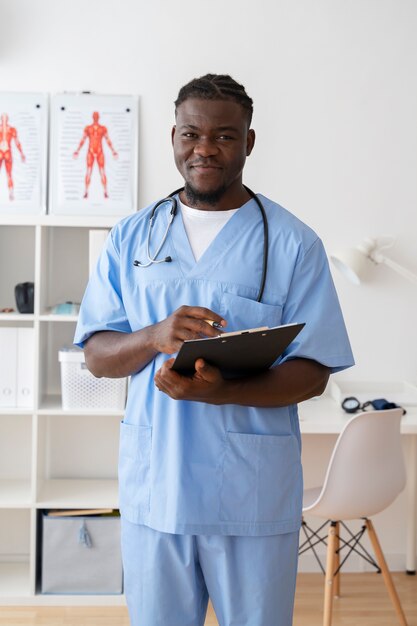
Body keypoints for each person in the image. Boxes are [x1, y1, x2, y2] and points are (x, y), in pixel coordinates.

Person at [74, 74, 354, 626]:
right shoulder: (133, 237)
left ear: (249, 142)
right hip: (157, 489)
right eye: (190, 134)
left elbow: (314, 370)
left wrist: (226, 392)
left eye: (224, 136)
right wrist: (154, 336)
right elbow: (97, 356)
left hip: (248, 493)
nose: (205, 148)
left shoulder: (294, 243)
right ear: (173, 138)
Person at [73, 111, 118, 199]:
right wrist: (77, 150)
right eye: (94, 116)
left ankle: (105, 191)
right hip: (90, 151)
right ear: (93, 117)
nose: (95, 117)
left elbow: (107, 139)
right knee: (89, 171)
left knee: (102, 171)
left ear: (98, 117)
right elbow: (83, 139)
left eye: (96, 116)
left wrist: (113, 151)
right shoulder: (88, 128)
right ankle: (86, 191)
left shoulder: (103, 128)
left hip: (99, 151)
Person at [0, 113, 26, 201]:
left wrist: (22, 153)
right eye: (3, 118)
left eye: (5, 118)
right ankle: (11, 193)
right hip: (2, 152)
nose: (3, 120)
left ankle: (11, 193)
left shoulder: (12, 129)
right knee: (9, 174)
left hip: (7, 152)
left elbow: (17, 142)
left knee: (9, 174)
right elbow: (17, 142)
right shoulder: (11, 129)